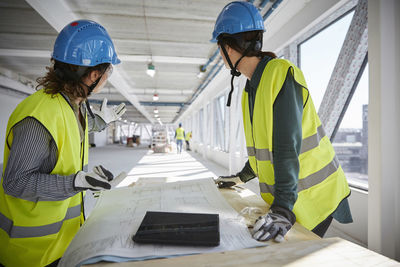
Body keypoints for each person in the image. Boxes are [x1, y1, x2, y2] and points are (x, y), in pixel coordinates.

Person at [213, 1, 352, 242]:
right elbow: (262, 151)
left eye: (219, 49)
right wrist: (240, 177)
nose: (220, 56)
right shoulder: (252, 88)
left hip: (316, 195)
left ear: (229, 47)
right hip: (294, 196)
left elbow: (287, 147)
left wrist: (283, 209)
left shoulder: (279, 73)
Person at [0, 20, 126, 266]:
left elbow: (70, 137)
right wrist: (75, 182)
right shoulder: (39, 116)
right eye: (107, 73)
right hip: (32, 252)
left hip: (64, 243)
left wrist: (98, 124)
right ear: (93, 75)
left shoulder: (72, 106)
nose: (106, 79)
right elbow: (15, 182)